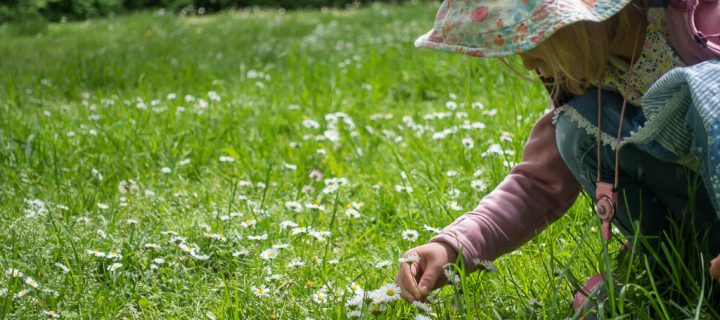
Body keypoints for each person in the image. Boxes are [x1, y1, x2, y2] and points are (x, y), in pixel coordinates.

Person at [395, 0, 720, 308]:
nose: (525, 60)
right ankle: (671, 267)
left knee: (708, 87)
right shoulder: (590, 77)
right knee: (574, 127)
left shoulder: (701, 27)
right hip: (699, 231)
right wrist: (453, 246)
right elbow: (536, 183)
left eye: (530, 36)